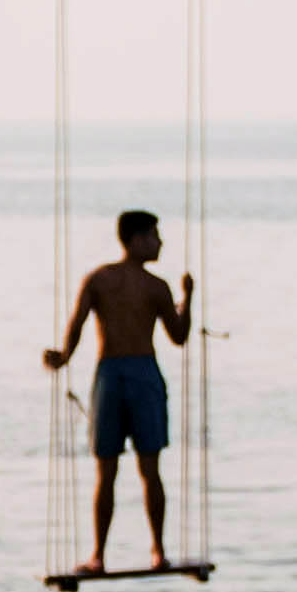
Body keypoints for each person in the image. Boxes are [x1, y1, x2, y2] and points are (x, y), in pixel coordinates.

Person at [47, 205, 193, 573]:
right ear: (137, 239)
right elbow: (179, 335)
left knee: (136, 469)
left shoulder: (129, 282)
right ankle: (106, 554)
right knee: (123, 469)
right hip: (124, 372)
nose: (160, 243)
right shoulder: (124, 282)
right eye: (155, 235)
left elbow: (177, 336)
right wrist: (188, 297)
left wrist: (64, 356)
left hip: (125, 372)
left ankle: (149, 551)